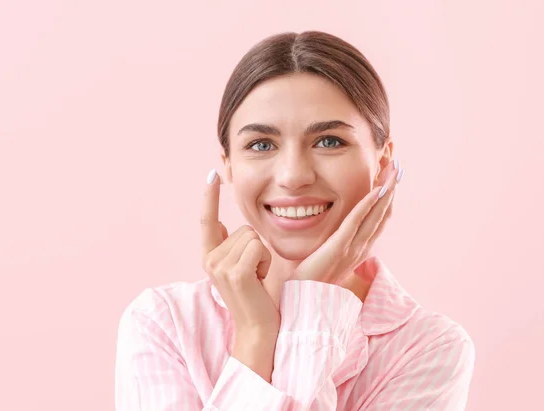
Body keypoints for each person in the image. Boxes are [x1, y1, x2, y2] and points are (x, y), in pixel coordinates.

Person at [115, 30, 475, 410]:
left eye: (330, 141)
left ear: (382, 162)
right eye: (261, 145)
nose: (293, 175)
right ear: (229, 166)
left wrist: (313, 305)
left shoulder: (428, 349)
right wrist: (255, 335)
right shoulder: (165, 324)